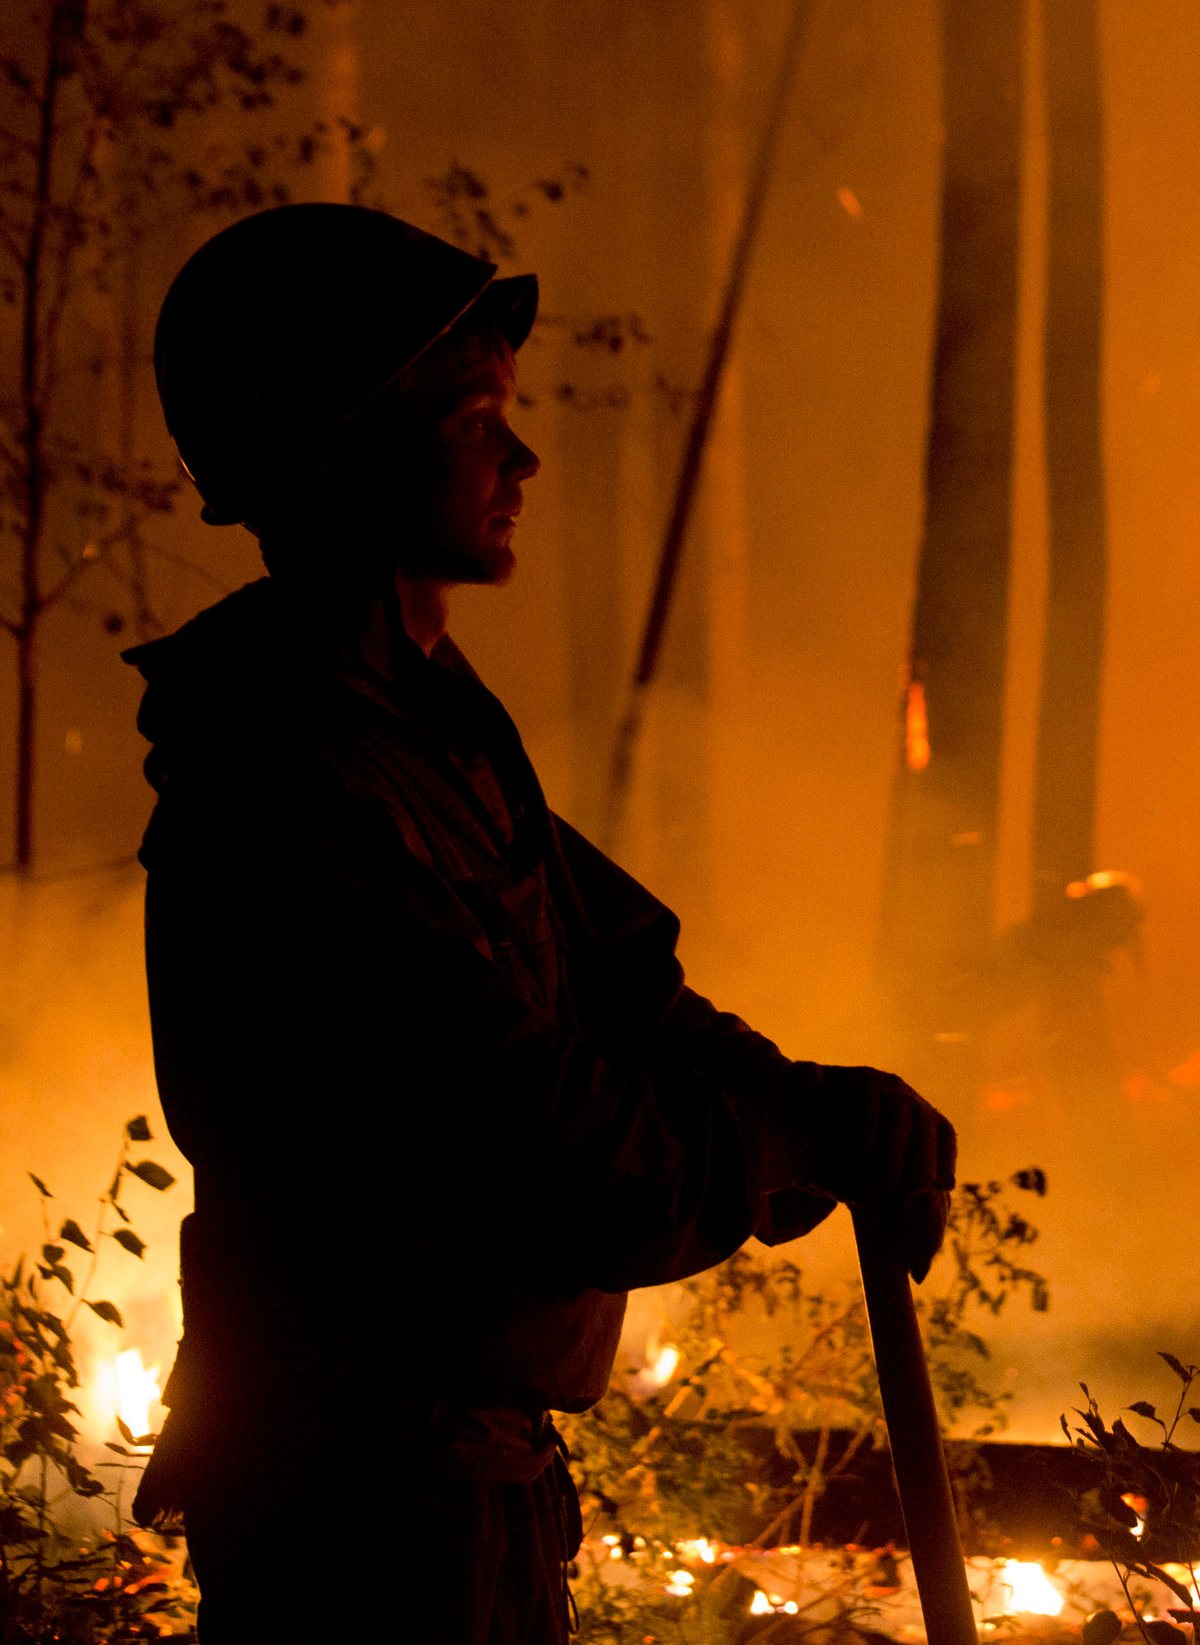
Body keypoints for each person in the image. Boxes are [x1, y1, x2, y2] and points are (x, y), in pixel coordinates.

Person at [124, 204, 957, 1644]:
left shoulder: (431, 734)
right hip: (358, 1517)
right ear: (347, 441)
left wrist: (801, 1103)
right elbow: (542, 1147)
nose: (519, 460)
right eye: (473, 417)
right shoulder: (295, 782)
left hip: (456, 1488)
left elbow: (621, 984)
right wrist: (786, 1143)